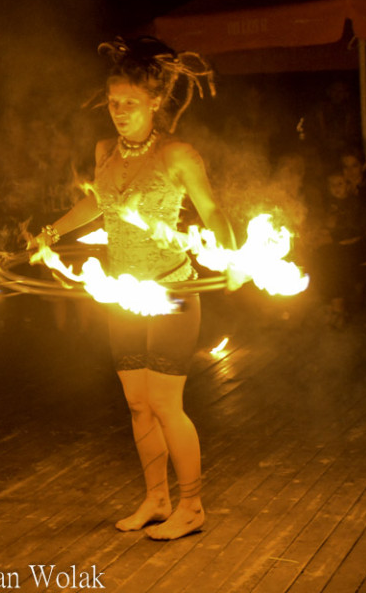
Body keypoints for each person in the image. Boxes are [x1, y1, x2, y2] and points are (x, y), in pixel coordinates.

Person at [39, 37, 232, 540]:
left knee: (166, 404)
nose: (119, 111)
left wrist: (232, 258)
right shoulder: (104, 151)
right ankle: (157, 498)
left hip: (171, 292)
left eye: (129, 102)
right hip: (124, 295)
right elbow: (97, 203)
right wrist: (51, 233)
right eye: (113, 102)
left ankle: (192, 506)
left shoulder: (177, 154)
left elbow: (212, 211)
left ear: (155, 102)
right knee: (138, 403)